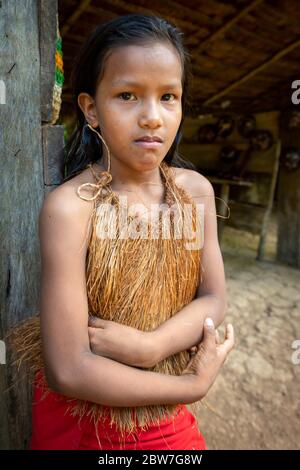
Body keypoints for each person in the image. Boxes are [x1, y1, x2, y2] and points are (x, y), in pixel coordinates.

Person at [9, 14, 234, 450]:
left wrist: (150, 347)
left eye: (168, 96)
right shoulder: (71, 209)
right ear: (91, 108)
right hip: (81, 423)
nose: (152, 117)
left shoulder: (194, 194)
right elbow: (68, 369)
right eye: (127, 95)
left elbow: (214, 297)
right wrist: (190, 385)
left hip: (163, 416)